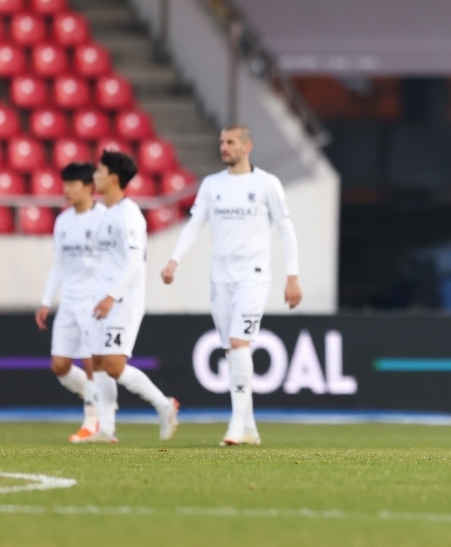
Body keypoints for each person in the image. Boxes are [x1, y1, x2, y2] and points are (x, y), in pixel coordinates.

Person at [161, 126, 302, 446]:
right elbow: (194, 223)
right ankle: (250, 427)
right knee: (231, 349)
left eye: (230, 143)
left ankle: (236, 425)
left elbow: (286, 230)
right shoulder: (212, 185)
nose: (224, 147)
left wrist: (292, 275)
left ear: (247, 147)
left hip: (253, 276)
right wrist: (174, 259)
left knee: (239, 343)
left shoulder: (267, 184)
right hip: (220, 278)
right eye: (222, 142)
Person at [89, 150, 178, 443]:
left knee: (114, 365)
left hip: (123, 300)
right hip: (104, 298)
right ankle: (106, 429)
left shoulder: (129, 215)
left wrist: (112, 295)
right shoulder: (106, 214)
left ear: (114, 178)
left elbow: (133, 261)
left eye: (99, 172)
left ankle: (164, 405)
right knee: (99, 362)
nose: (95, 177)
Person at [35, 163, 106, 443]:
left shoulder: (104, 219)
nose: (66, 190)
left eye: (72, 185)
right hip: (69, 301)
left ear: (89, 187)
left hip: (94, 300)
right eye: (65, 185)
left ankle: (92, 420)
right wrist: (45, 301)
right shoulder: (62, 221)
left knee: (91, 362)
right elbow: (60, 264)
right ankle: (98, 398)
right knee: (60, 365)